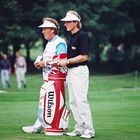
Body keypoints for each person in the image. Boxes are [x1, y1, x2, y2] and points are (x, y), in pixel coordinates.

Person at [22, 17, 68, 135]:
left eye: (45, 29)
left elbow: (62, 59)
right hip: (49, 79)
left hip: (57, 81)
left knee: (48, 104)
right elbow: (50, 60)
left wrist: (45, 63)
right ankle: (51, 126)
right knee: (47, 104)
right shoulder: (49, 43)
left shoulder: (60, 42)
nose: (42, 31)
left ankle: (40, 127)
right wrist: (41, 64)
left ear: (52, 30)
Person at [58, 10, 95, 139]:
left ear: (76, 22)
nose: (65, 24)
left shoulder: (82, 36)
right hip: (71, 72)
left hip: (80, 71)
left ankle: (89, 130)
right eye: (65, 22)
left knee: (81, 100)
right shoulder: (72, 37)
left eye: (68, 22)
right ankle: (79, 128)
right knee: (73, 101)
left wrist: (67, 61)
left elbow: (84, 57)